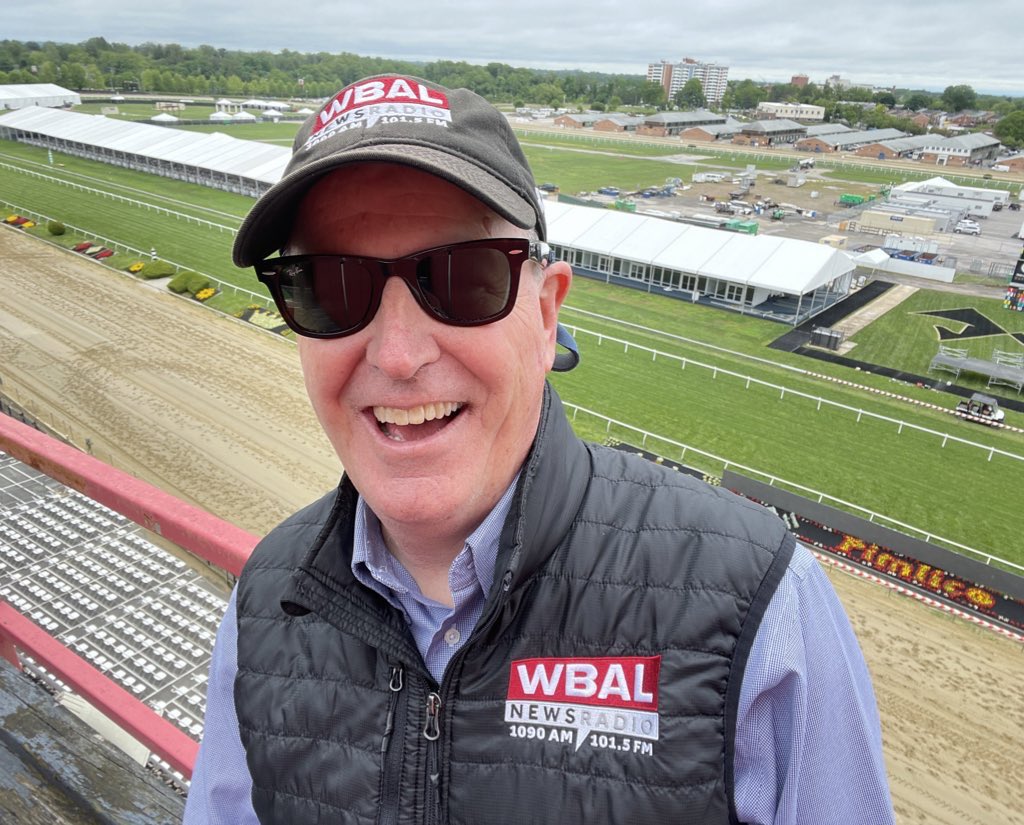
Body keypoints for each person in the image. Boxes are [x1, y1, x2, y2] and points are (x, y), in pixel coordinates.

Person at [184, 74, 894, 824]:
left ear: (547, 314)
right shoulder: (265, 599)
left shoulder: (762, 602)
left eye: (460, 278)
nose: (396, 355)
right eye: (327, 287)